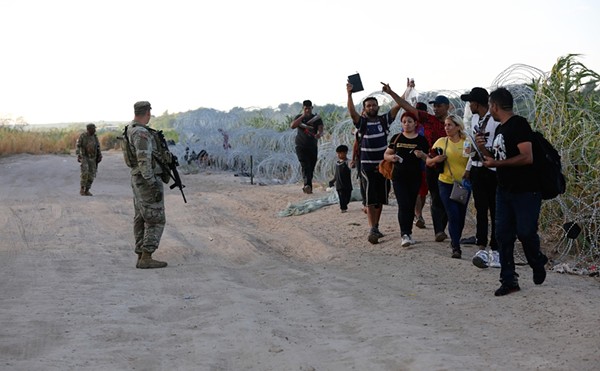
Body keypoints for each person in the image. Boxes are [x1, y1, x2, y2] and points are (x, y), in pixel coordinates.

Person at [478, 87, 548, 296]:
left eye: (490, 106)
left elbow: (527, 157)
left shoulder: (518, 125)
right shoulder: (500, 129)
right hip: (504, 190)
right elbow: (497, 159)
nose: (489, 110)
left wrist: (498, 164)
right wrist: (482, 149)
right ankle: (509, 280)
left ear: (495, 106)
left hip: (526, 191)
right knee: (503, 236)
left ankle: (537, 260)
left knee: (525, 232)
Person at [347, 81, 403, 244]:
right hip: (367, 165)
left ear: (378, 106)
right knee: (371, 198)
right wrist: (349, 94)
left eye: (374, 105)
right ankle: (372, 228)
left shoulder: (384, 121)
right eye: (368, 106)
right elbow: (352, 112)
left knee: (380, 199)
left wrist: (392, 92)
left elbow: (399, 106)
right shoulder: (362, 124)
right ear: (364, 109)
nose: (371, 107)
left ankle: (376, 226)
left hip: (383, 166)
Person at [394, 93, 450, 243]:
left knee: (446, 197)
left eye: (439, 106)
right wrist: (391, 92)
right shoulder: (429, 120)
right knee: (435, 196)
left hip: (449, 164)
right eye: (434, 106)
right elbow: (407, 107)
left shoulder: (452, 123)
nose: (435, 109)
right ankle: (439, 230)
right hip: (431, 163)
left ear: (447, 107)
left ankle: (443, 227)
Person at [123, 101, 168, 269]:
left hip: (138, 179)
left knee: (141, 216)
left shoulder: (130, 129)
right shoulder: (141, 133)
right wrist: (152, 184)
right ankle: (146, 256)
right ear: (147, 113)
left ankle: (141, 253)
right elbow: (144, 161)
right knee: (155, 218)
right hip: (145, 179)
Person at [460, 87, 501, 269]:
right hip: (477, 167)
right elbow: (473, 144)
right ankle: (481, 245)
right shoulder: (476, 119)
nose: (470, 106)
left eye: (471, 102)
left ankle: (496, 247)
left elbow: (496, 146)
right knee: (481, 208)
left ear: (477, 103)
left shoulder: (494, 121)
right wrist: (469, 166)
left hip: (491, 170)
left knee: (495, 209)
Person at [426, 114, 471, 259]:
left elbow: (472, 159)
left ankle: (455, 239)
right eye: (445, 125)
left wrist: (468, 171)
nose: (446, 128)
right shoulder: (441, 142)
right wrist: (436, 159)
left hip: (463, 184)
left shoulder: (466, 142)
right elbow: (428, 161)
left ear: (458, 126)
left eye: (450, 125)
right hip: (445, 182)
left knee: (461, 215)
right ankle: (456, 246)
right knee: (452, 214)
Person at [383, 111, 429, 247]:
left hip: (415, 177)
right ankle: (404, 234)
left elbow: (428, 158)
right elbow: (386, 154)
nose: (407, 124)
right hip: (399, 177)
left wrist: (421, 155)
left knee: (410, 205)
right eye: (404, 122)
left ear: (415, 123)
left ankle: (408, 232)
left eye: (409, 121)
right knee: (403, 204)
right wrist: (392, 158)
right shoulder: (397, 138)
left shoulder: (421, 140)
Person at [290, 100, 324, 194]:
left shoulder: (317, 119)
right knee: (305, 165)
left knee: (311, 167)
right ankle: (307, 185)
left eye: (309, 108)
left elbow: (321, 129)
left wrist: (319, 134)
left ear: (312, 108)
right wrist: (302, 116)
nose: (307, 110)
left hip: (312, 146)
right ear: (303, 108)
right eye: (305, 109)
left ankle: (308, 186)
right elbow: (292, 126)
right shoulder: (299, 117)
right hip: (301, 146)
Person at [414, 101, 429, 229]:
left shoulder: (428, 126)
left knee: (423, 192)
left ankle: (419, 214)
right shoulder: (411, 125)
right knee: (418, 191)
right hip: (414, 164)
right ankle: (418, 215)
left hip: (426, 162)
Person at [76, 123, 102, 196]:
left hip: (93, 158)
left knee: (91, 174)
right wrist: (78, 155)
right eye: (93, 129)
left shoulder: (95, 137)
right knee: (85, 172)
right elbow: (78, 145)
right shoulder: (83, 136)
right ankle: (82, 189)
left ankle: (87, 190)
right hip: (85, 157)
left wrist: (99, 155)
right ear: (89, 129)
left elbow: (98, 147)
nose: (95, 130)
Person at [328, 145, 353, 213]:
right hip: (339, 185)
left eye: (340, 153)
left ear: (345, 153)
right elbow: (336, 174)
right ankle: (343, 208)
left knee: (347, 198)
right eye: (338, 153)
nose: (338, 155)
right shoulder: (337, 163)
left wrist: (353, 164)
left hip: (347, 185)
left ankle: (344, 205)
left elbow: (351, 165)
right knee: (341, 197)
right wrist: (333, 181)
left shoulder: (347, 162)